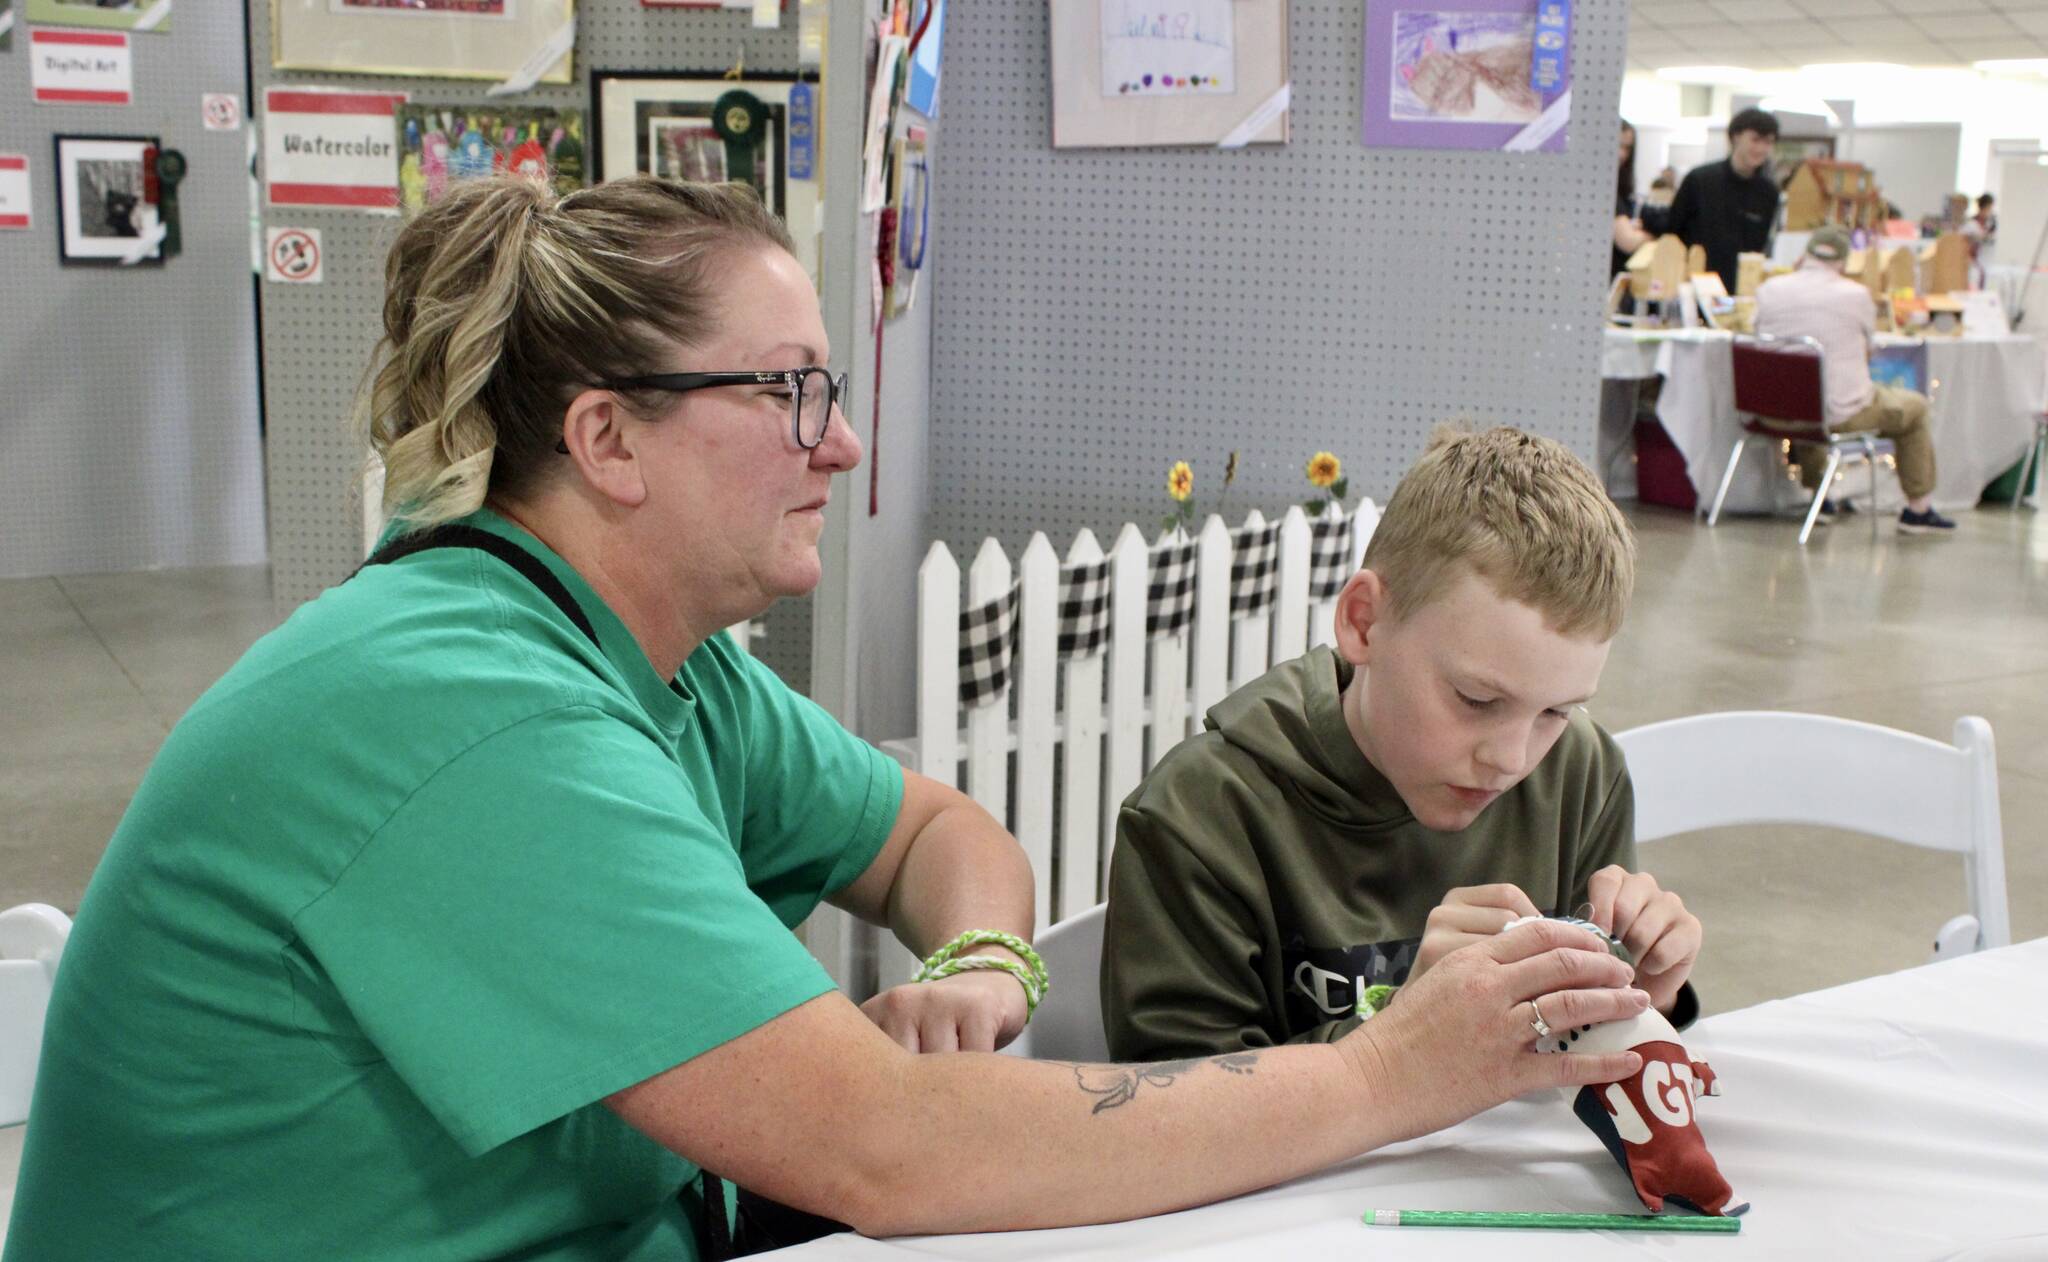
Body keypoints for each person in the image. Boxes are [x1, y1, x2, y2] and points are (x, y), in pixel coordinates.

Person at [3, 176, 1651, 1261]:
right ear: (608, 439)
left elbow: (941, 833)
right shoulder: (468, 716)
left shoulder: (653, 661)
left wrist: (980, 963)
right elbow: (891, 1156)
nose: (842, 443)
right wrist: (1390, 1071)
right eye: (789, 390)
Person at [1102, 426, 1702, 1061]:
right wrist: (1405, 1035)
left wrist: (1643, 1000)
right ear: (1364, 622)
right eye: (1476, 699)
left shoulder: (1582, 773)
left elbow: (1579, 1060)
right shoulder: (1199, 819)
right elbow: (1170, 1126)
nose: (1512, 759)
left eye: (1556, 710)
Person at [1754, 226, 1957, 535]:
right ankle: (1918, 509)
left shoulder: (1769, 289)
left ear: (1804, 255)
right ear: (1845, 262)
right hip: (1833, 413)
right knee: (1914, 407)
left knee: (1809, 394)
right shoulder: (1856, 295)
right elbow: (1870, 350)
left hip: (1773, 409)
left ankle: (1819, 495)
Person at [1648, 108, 1781, 295]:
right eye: (1755, 139)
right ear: (1736, 137)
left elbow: (1761, 247)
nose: (1761, 149)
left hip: (1739, 293)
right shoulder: (1700, 180)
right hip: (1693, 288)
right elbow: (1674, 228)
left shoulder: (1769, 193)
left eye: (1768, 142)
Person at [1612, 120, 1652, 278]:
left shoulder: (1619, 191)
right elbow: (1628, 241)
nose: (1622, 154)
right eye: (1618, 145)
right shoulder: (1607, 195)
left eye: (1627, 148)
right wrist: (1651, 235)